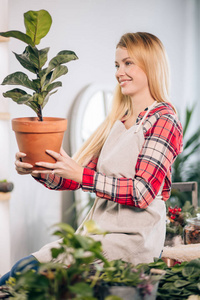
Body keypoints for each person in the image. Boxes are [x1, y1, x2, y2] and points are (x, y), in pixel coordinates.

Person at [0, 32, 183, 285]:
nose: (120, 72)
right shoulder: (119, 121)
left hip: (130, 243)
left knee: (26, 277)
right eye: (117, 65)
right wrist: (38, 169)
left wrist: (81, 175)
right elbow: (75, 178)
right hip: (96, 235)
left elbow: (142, 192)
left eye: (128, 63)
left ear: (151, 64)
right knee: (21, 270)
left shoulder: (164, 120)